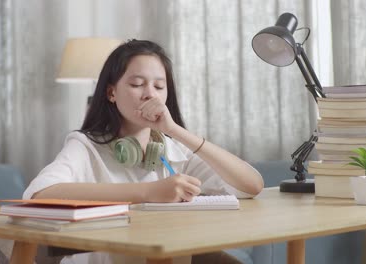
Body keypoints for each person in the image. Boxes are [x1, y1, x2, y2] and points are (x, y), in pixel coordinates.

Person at [23, 39, 264, 264]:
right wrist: (148, 192)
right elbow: (41, 195)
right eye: (137, 84)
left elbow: (251, 185)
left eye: (159, 86)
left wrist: (175, 130)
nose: (150, 93)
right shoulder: (85, 146)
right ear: (111, 92)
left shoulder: (173, 149)